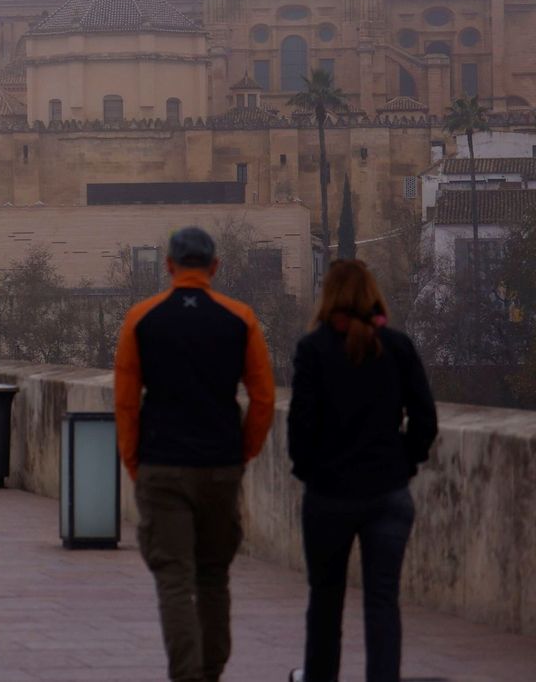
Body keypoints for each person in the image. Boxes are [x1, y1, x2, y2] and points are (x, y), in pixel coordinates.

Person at [114, 226, 275, 682]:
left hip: (161, 464)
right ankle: (211, 672)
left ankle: (187, 677)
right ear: (215, 267)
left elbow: (126, 403)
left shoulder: (141, 319)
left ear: (168, 267)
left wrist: (135, 462)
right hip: (220, 465)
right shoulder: (239, 318)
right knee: (212, 576)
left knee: (174, 580)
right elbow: (262, 399)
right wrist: (242, 452)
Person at [287, 260, 438, 682]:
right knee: (382, 602)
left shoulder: (313, 350)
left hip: (329, 495)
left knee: (325, 602)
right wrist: (403, 462)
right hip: (387, 492)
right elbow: (425, 420)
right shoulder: (397, 347)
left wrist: (311, 471)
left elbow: (300, 426)